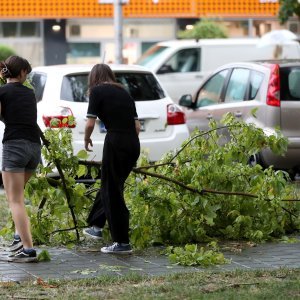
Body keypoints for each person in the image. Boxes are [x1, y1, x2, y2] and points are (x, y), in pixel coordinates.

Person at [83, 63, 140, 254]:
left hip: (115, 140)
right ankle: (96, 226)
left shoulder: (96, 91)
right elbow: (137, 126)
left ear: (94, 78)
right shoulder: (124, 92)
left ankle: (122, 242)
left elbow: (90, 123)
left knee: (113, 192)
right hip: (132, 142)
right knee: (110, 185)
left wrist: (86, 137)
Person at [0, 56, 41, 263]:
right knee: (19, 196)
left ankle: (28, 249)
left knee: (14, 200)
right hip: (34, 148)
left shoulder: (2, 92)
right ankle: (18, 239)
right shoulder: (30, 93)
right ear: (22, 72)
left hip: (14, 145)